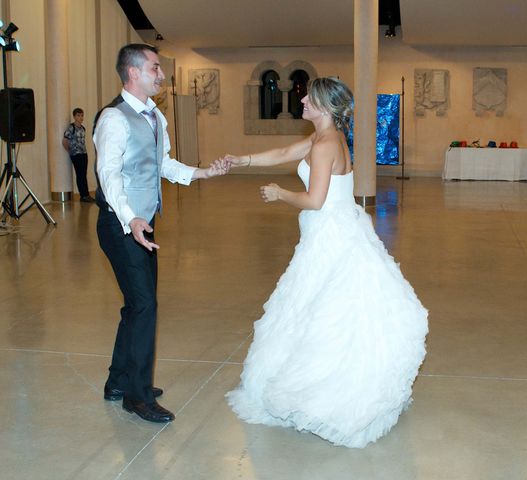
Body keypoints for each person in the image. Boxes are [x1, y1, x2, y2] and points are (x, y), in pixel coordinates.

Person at [225, 77, 428, 448]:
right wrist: (244, 160)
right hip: (335, 229)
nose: (302, 100)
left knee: (324, 311)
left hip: (328, 235)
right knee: (319, 308)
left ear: (325, 106)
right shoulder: (324, 137)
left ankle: (328, 395)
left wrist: (280, 193)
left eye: (309, 98)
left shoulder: (325, 144)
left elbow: (315, 200)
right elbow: (286, 152)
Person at [94, 43, 229, 423]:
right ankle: (136, 396)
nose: (162, 75)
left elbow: (163, 163)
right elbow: (109, 175)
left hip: (143, 225)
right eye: (155, 67)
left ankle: (118, 381)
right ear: (133, 72)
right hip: (120, 225)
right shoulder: (114, 119)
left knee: (138, 304)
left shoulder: (154, 116)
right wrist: (131, 218)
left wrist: (201, 173)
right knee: (145, 306)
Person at [62, 107, 94, 202]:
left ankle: (86, 195)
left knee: (84, 174)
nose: (81, 117)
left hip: (84, 153)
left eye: (82, 115)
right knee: (80, 175)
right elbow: (64, 141)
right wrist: (70, 151)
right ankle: (83, 195)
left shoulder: (83, 128)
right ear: (74, 116)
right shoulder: (71, 128)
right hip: (76, 155)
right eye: (78, 115)